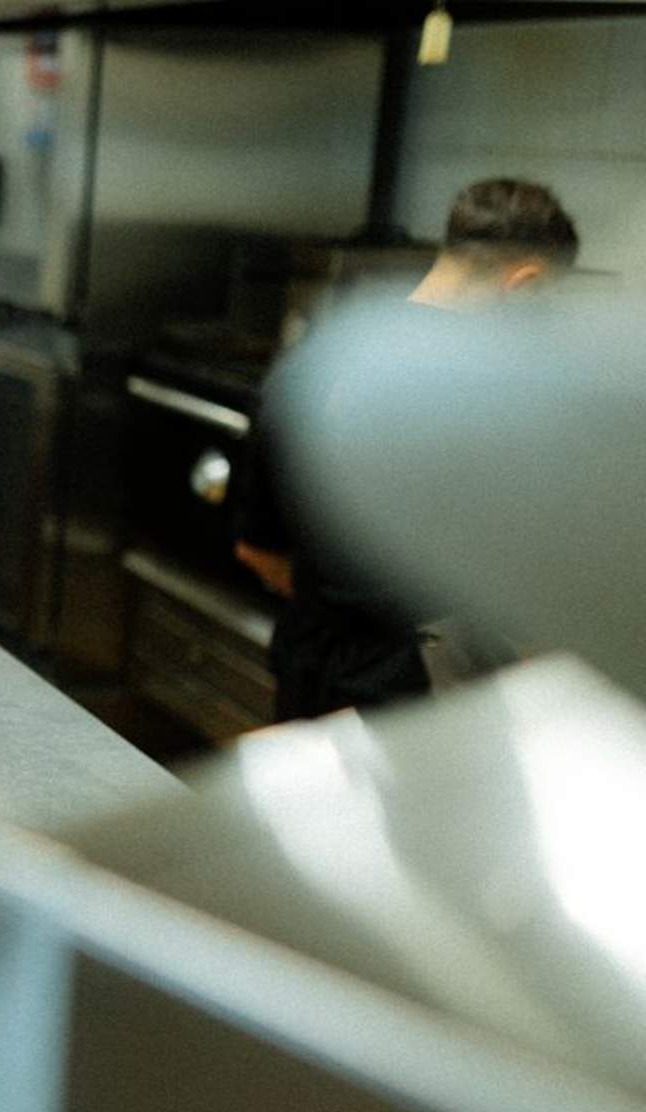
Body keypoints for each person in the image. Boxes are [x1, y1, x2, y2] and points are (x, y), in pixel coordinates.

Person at [232, 178, 578, 722]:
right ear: (524, 283)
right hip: (419, 699)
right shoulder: (504, 396)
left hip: (310, 674)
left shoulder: (313, 359)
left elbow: (257, 549)